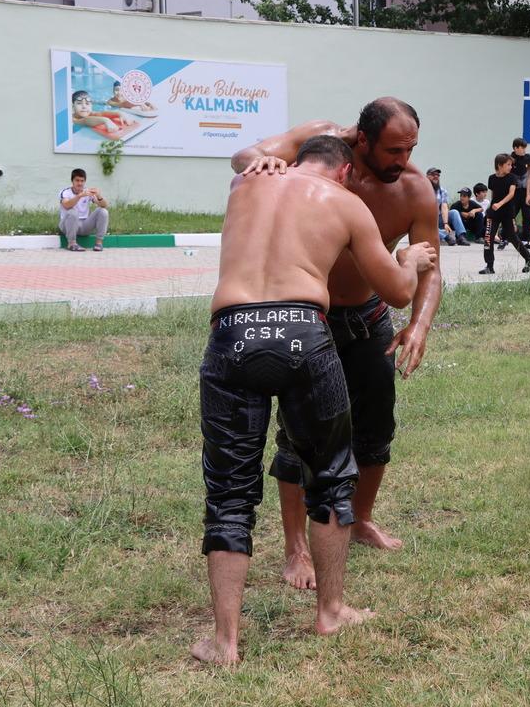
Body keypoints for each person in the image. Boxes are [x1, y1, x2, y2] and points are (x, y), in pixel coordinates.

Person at [194, 135, 437, 664]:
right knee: (330, 472)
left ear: (290, 160)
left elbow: (245, 154)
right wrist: (409, 258)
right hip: (304, 330)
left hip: (233, 330)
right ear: (346, 171)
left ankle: (225, 642)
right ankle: (330, 612)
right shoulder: (347, 202)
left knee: (229, 491)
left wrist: (265, 155)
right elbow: (397, 291)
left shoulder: (246, 182)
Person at [231, 97, 443, 590]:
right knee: (299, 434)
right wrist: (264, 160)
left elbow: (431, 264)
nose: (403, 160)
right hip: (311, 316)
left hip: (369, 315)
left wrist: (420, 324)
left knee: (375, 425)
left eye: (411, 148)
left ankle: (362, 519)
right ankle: (296, 548)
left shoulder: (413, 189)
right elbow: (244, 157)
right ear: (363, 141)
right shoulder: (320, 144)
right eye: (393, 149)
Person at [481, 153, 530, 275]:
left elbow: (511, 194)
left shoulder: (512, 178)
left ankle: (529, 259)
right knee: (488, 238)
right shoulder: (491, 178)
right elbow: (494, 195)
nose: (510, 167)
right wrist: (492, 207)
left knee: (512, 237)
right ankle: (489, 266)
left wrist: (500, 204)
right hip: (494, 212)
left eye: (511, 164)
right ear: (499, 165)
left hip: (507, 211)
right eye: (508, 165)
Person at [59, 168, 109, 252]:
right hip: (67, 226)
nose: (80, 183)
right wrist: (79, 196)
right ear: (72, 181)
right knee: (72, 212)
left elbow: (104, 205)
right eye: (77, 180)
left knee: (103, 211)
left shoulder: (87, 192)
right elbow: (67, 205)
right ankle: (71, 244)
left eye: (82, 181)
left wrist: (99, 196)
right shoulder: (65, 192)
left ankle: (99, 243)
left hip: (84, 225)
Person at [427, 167, 470, 246]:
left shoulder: (442, 191)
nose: (436, 176)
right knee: (425, 223)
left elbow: (444, 207)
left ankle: (461, 237)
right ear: (427, 177)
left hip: (438, 218)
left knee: (454, 212)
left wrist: (445, 223)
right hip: (426, 221)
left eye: (438, 175)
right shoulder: (422, 190)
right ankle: (447, 237)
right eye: (433, 175)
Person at [71, 90, 136, 137]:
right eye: (79, 103)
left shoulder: (90, 113)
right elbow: (85, 121)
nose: (84, 106)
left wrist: (119, 114)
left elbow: (101, 113)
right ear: (73, 106)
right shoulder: (72, 118)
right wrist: (105, 120)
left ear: (91, 106)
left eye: (87, 104)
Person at [509, 138, 530, 245]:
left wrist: (528, 192)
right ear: (515, 148)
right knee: (511, 215)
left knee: (528, 217)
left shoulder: (528, 158)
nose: (524, 150)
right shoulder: (510, 159)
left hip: (525, 191)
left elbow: (529, 174)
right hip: (514, 191)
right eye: (522, 148)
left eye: (525, 148)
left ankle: (526, 240)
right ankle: (506, 237)